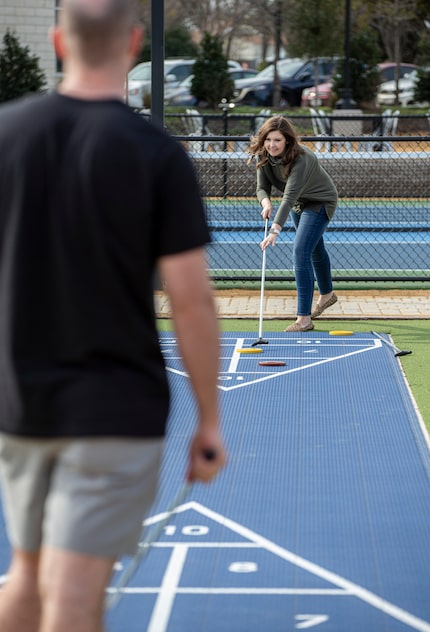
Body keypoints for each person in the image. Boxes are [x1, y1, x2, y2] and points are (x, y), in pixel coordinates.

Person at [0, 1, 226, 631]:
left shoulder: (6, 134)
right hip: (115, 406)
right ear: (133, 44)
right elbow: (190, 300)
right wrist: (209, 419)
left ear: (57, 43)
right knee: (75, 590)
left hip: (20, 401)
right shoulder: (155, 152)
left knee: (27, 574)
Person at [247, 115, 338, 332]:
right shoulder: (264, 155)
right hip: (299, 204)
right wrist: (265, 202)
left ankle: (304, 319)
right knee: (314, 249)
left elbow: (288, 197)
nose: (272, 145)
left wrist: (274, 231)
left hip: (319, 201)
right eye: (268, 139)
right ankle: (327, 294)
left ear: (287, 140)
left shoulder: (302, 158)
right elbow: (262, 187)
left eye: (277, 140)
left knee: (300, 251)